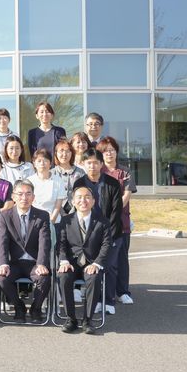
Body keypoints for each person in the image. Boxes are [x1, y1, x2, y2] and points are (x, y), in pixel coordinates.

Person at [70, 150, 123, 315]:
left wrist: (108, 236)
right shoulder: (79, 183)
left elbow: (116, 211)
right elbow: (77, 209)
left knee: (109, 267)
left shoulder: (112, 183)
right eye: (88, 163)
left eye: (95, 162)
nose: (92, 166)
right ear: (83, 164)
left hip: (111, 233)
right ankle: (95, 299)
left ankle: (108, 301)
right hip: (87, 236)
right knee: (91, 268)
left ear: (101, 164)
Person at [58, 186, 111, 335]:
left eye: (87, 197)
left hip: (92, 263)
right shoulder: (66, 220)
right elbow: (61, 244)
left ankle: (88, 320)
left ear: (93, 201)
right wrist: (64, 261)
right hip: (72, 263)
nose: (83, 200)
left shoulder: (103, 221)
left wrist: (96, 264)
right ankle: (71, 319)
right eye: (79, 197)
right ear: (73, 201)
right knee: (63, 276)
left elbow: (106, 245)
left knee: (93, 278)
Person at [0, 179, 52, 323]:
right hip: (15, 262)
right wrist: (3, 264)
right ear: (13, 197)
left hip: (34, 262)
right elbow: (2, 241)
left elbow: (45, 242)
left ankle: (36, 309)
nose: (24, 198)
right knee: (2, 278)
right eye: (20, 194)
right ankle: (19, 307)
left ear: (33, 197)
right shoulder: (5, 215)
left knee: (44, 278)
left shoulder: (42, 215)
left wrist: (41, 264)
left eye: (28, 194)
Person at [97, 137, 136, 305]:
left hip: (121, 221)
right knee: (101, 258)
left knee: (121, 258)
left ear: (116, 152)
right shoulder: (98, 171)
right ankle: (102, 292)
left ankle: (122, 291)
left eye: (112, 150)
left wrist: (113, 210)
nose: (109, 153)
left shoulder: (125, 171)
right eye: (105, 151)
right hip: (100, 221)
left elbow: (127, 194)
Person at [27, 149, 64, 244]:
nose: (42, 163)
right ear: (34, 163)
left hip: (54, 221)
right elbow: (28, 203)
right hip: (35, 222)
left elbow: (58, 205)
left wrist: (51, 221)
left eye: (45, 160)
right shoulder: (29, 181)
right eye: (39, 161)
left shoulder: (58, 180)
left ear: (50, 163)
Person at [51, 138, 85, 215]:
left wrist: (74, 210)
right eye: (61, 151)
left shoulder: (80, 172)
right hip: (56, 213)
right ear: (56, 154)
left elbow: (84, 192)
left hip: (77, 212)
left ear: (72, 153)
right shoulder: (51, 173)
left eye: (67, 151)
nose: (64, 154)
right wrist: (60, 212)